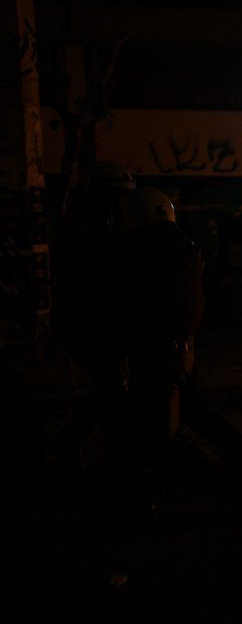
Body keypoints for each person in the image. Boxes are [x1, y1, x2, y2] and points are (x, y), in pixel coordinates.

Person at [116, 186, 242, 518]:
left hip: (154, 351)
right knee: (192, 412)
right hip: (181, 347)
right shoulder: (181, 245)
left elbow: (130, 305)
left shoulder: (139, 250)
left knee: (163, 436)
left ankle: (231, 484)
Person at [51, 161, 135, 478]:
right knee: (111, 388)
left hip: (94, 319)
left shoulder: (92, 221)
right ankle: (73, 443)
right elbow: (91, 277)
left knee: (110, 389)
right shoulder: (85, 228)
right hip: (89, 321)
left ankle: (100, 451)